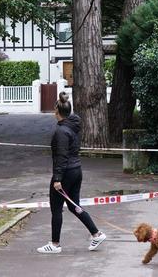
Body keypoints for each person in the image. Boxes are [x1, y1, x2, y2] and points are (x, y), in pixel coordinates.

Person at [37, 92, 106, 254]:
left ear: (57, 112)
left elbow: (61, 156)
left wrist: (57, 178)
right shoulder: (73, 126)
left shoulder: (61, 131)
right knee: (74, 206)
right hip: (76, 170)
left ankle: (54, 244)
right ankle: (96, 234)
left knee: (56, 208)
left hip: (65, 173)